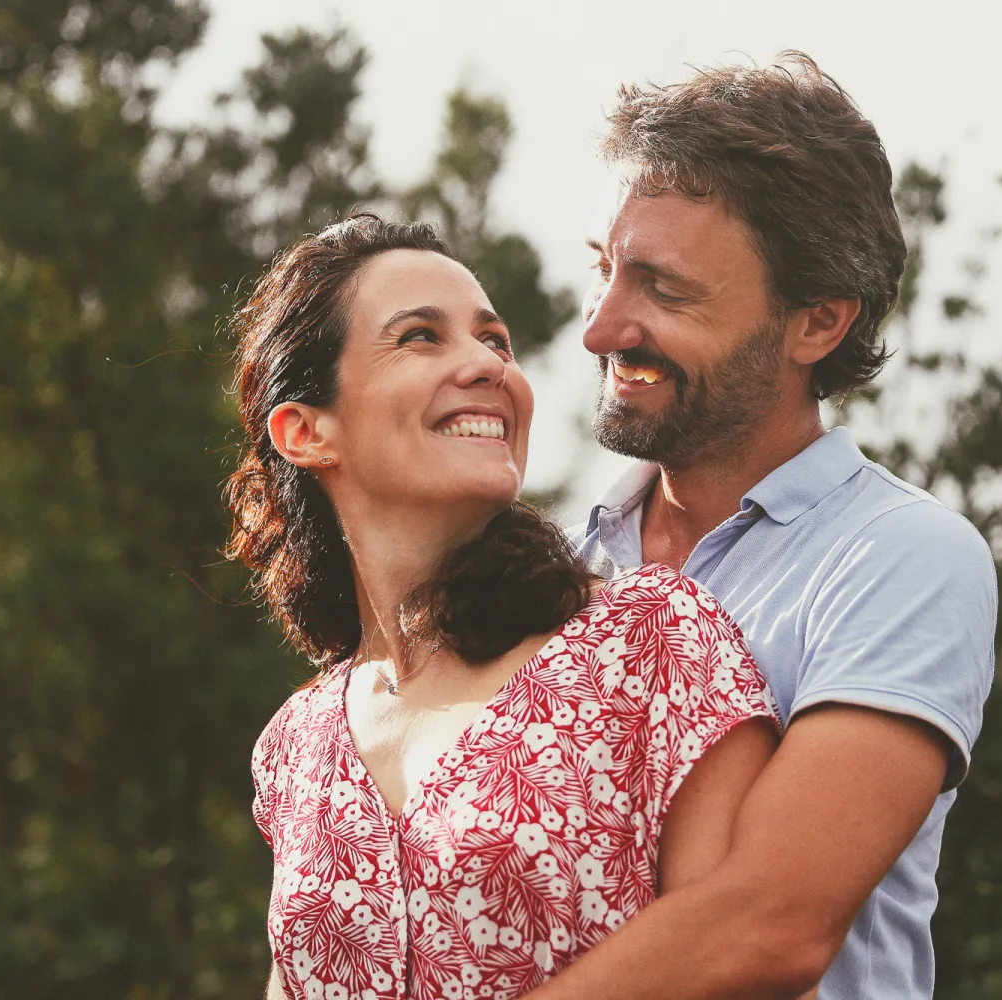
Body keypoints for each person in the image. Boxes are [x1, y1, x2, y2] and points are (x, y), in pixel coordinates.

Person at [226, 214, 780, 1000]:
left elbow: (752, 969)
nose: (486, 364)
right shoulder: (294, 746)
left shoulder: (652, 642)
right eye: (421, 336)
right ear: (306, 431)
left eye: (495, 341)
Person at [538, 54, 999, 999]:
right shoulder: (556, 568)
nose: (601, 329)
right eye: (605, 272)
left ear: (818, 323)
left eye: (664, 292)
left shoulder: (902, 558)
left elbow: (769, 927)